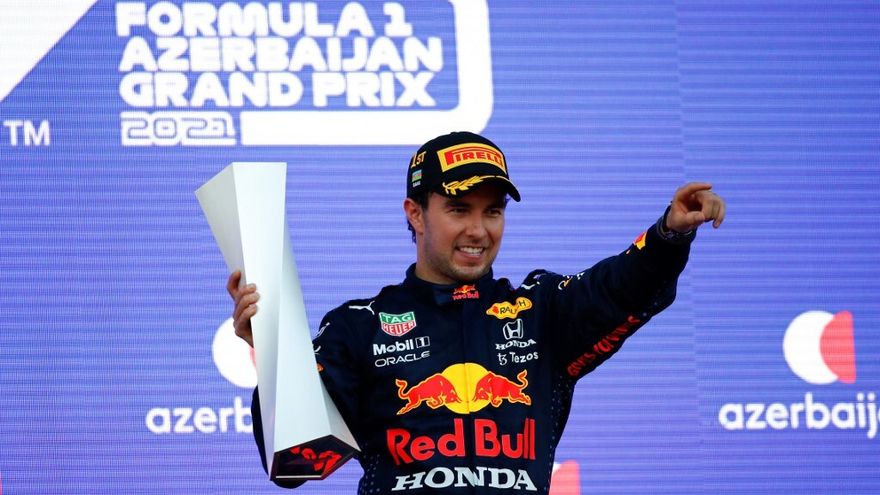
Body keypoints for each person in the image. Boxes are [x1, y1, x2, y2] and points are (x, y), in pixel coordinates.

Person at [228, 131, 726, 494]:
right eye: (459, 209)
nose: (478, 230)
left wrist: (669, 234)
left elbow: (619, 289)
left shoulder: (541, 310)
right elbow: (296, 462)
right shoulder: (358, 326)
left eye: (493, 210)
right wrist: (270, 353)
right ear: (415, 213)